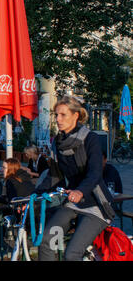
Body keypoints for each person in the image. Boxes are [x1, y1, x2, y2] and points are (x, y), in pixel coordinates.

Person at [38, 96, 115, 261]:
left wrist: (81, 190)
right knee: (46, 242)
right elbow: (54, 176)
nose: (58, 119)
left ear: (76, 116)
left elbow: (95, 172)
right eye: (56, 115)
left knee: (72, 253)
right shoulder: (57, 143)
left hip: (95, 204)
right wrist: (32, 197)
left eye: (63, 115)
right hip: (72, 203)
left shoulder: (89, 138)